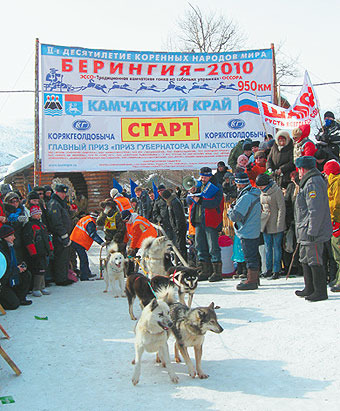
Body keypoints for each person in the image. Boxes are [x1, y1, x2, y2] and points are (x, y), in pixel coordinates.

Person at [294, 156, 332, 302]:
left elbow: (315, 210)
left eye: (299, 169)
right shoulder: (308, 181)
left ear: (303, 169)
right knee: (305, 258)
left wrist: (312, 231)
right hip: (305, 229)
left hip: (312, 231)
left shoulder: (312, 182)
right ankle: (309, 287)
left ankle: (320, 291)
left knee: (314, 259)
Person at [187, 167, 224, 282]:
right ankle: (205, 270)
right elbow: (188, 202)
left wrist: (201, 200)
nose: (202, 179)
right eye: (201, 176)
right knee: (200, 246)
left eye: (204, 176)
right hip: (198, 220)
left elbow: (215, 203)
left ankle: (217, 272)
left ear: (210, 176)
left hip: (210, 220)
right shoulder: (198, 186)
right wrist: (192, 193)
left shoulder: (216, 187)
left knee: (213, 247)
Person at [227, 172, 261, 290]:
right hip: (254, 228)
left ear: (239, 183)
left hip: (247, 230)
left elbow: (235, 216)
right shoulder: (254, 193)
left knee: (249, 256)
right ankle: (255, 278)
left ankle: (251, 280)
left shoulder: (246, 197)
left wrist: (230, 210)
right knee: (254, 254)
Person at [256, 174, 286, 280]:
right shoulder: (262, 192)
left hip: (275, 222)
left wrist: (280, 224)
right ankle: (268, 269)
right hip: (265, 223)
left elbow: (281, 208)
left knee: (276, 247)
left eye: (261, 186)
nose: (260, 188)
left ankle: (276, 270)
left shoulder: (276, 191)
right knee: (268, 247)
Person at [22, 206, 53, 296]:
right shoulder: (30, 225)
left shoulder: (42, 225)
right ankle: (36, 288)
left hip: (43, 251)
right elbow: (28, 239)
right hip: (36, 252)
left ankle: (42, 287)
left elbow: (47, 238)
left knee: (43, 269)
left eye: (39, 213)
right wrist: (33, 252)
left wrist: (50, 248)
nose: (38, 215)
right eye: (36, 214)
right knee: (37, 270)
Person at [0, 224, 32, 309]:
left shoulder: (10, 247)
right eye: (11, 235)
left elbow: (12, 263)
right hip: (2, 283)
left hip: (9, 278)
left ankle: (20, 298)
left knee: (26, 275)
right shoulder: (2, 251)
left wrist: (20, 266)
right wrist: (16, 270)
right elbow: (3, 272)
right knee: (13, 305)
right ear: (5, 237)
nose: (14, 237)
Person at [47, 184, 73, 286]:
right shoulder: (54, 204)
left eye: (64, 193)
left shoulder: (60, 203)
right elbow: (56, 222)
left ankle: (63, 276)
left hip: (64, 234)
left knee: (65, 256)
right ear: (57, 192)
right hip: (59, 236)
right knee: (60, 257)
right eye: (62, 193)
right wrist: (63, 234)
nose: (63, 195)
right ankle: (60, 279)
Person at [70, 211, 104, 281]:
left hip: (75, 240)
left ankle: (87, 273)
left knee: (83, 258)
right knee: (83, 259)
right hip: (79, 241)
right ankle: (84, 276)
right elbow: (92, 234)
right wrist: (101, 242)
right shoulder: (90, 222)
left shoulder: (86, 219)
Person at [322, 160, 340, 292]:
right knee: (335, 253)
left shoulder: (337, 182)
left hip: (337, 222)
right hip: (333, 221)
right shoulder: (332, 182)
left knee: (338, 252)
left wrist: (334, 219)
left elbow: (336, 204)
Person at [161, 189, 187, 262]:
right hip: (177, 226)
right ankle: (181, 261)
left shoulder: (174, 202)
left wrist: (177, 228)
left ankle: (183, 261)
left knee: (181, 245)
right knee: (179, 245)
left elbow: (178, 216)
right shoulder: (173, 201)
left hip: (179, 227)